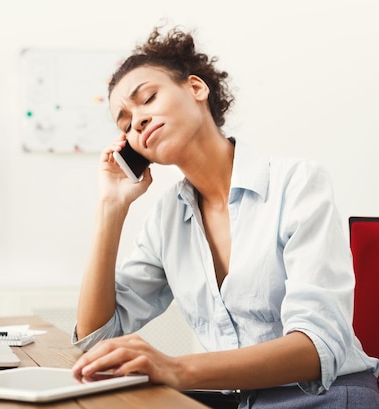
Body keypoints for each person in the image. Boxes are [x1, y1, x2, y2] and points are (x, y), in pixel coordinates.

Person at [71, 25, 379, 408]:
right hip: (238, 402)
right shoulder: (167, 219)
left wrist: (176, 368)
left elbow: (319, 347)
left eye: (148, 98)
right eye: (125, 124)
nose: (138, 121)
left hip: (325, 398)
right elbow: (97, 341)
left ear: (196, 89)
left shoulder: (297, 182)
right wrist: (110, 209)